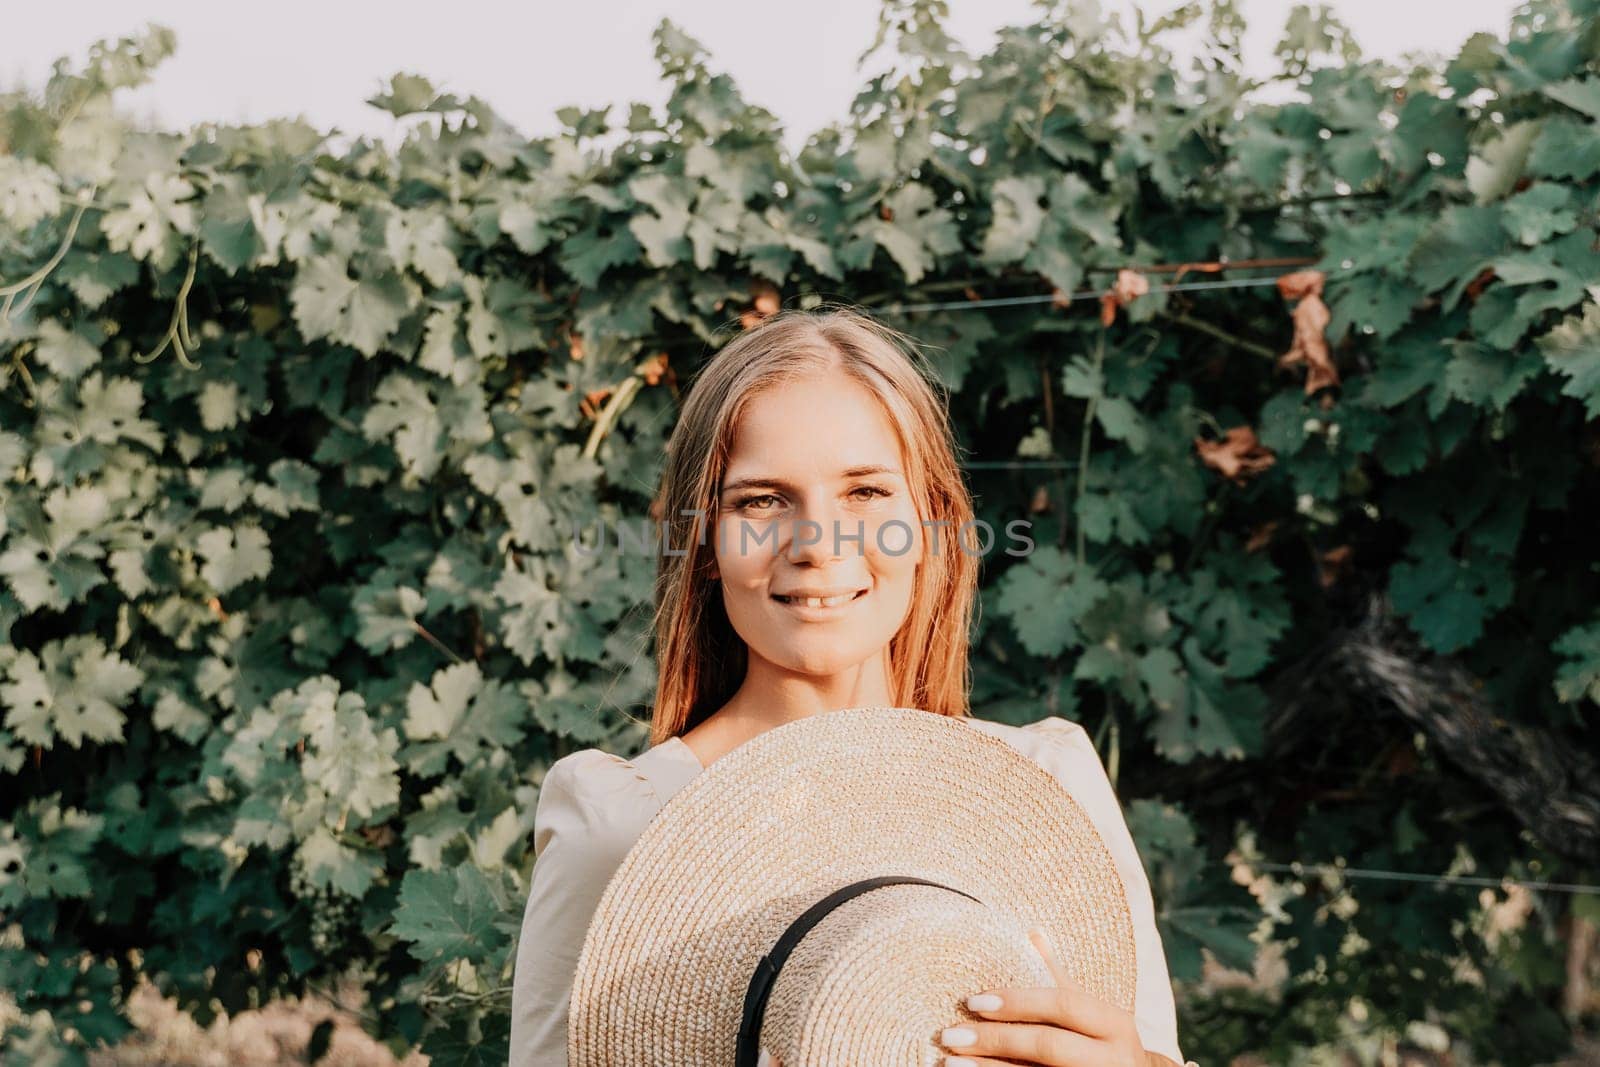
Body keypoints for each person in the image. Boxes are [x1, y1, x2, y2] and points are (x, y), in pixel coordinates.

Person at [509, 305, 1190, 1066]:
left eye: (866, 493)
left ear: (932, 520)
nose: (818, 544)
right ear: (703, 541)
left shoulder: (1046, 791)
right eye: (762, 501)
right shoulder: (619, 826)